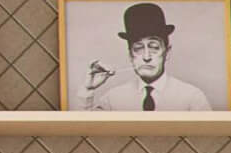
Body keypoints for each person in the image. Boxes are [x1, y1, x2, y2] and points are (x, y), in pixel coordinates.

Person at [82, 2, 213, 111]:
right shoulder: (112, 100)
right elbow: (87, 129)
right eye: (138, 48)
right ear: (130, 56)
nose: (146, 56)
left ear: (167, 52)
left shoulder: (192, 98)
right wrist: (87, 90)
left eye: (154, 47)